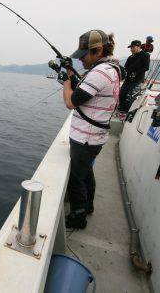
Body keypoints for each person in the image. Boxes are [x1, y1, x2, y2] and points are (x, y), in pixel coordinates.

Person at [60, 30, 123, 229]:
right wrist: (70, 71)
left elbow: (71, 101)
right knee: (86, 173)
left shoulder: (100, 72)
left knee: (76, 179)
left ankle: (78, 219)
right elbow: (86, 92)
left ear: (97, 50)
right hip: (94, 137)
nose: (81, 61)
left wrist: (66, 81)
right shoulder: (108, 68)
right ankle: (88, 207)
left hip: (86, 138)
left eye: (83, 56)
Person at [118, 40, 150, 113]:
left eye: (133, 47)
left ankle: (128, 112)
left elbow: (146, 67)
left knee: (129, 96)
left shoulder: (145, 55)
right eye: (130, 47)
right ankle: (121, 110)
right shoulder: (130, 57)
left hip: (137, 80)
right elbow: (126, 68)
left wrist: (136, 72)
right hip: (128, 79)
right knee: (121, 94)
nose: (131, 49)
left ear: (138, 47)